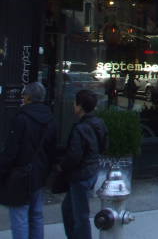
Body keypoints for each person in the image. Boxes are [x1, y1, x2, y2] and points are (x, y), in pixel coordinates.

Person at [0, 82, 57, 239]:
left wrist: (2, 170)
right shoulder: (50, 119)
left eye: (24, 95)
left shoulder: (21, 118)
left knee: (19, 216)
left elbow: (11, 151)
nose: (22, 98)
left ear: (29, 97)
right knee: (36, 214)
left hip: (20, 173)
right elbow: (52, 149)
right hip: (39, 173)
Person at [59, 89, 108, 239]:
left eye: (75, 103)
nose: (73, 105)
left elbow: (74, 155)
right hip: (90, 171)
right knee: (68, 209)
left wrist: (62, 166)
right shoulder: (98, 123)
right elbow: (104, 146)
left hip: (81, 175)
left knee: (80, 214)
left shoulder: (80, 128)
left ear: (80, 106)